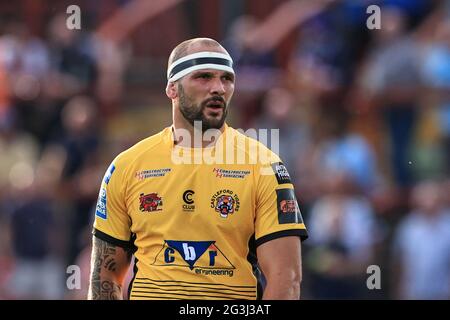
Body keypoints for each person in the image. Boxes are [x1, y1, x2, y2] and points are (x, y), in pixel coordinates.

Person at [87, 38, 308, 300]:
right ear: (172, 88)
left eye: (226, 79)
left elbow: (287, 279)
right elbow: (105, 276)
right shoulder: (127, 166)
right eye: (203, 77)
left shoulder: (265, 167)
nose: (218, 88)